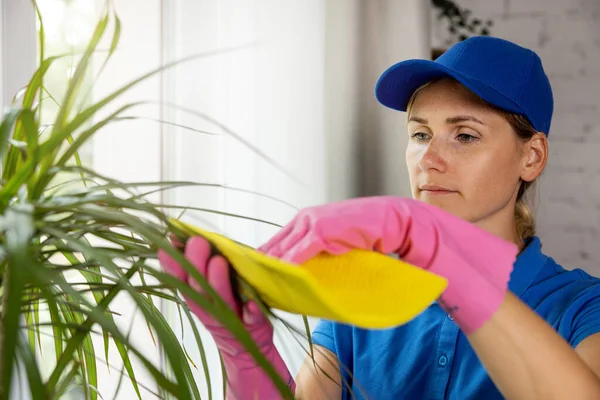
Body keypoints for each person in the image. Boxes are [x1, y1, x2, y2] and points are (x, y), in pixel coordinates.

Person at [158, 36, 600, 399]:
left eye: (465, 135)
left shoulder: (583, 308)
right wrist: (246, 356)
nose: (429, 158)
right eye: (420, 134)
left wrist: (443, 258)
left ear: (532, 156)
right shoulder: (360, 295)